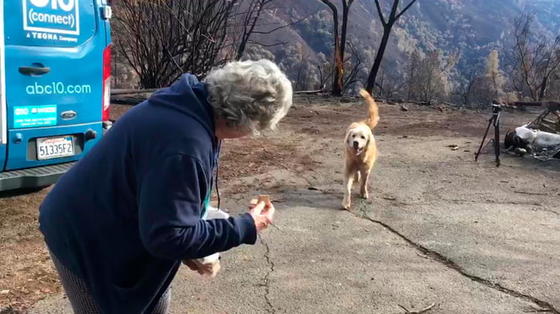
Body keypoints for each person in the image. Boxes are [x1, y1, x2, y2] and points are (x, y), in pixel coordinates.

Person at [39, 59, 293, 313]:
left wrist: (198, 235)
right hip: (83, 232)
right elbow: (169, 237)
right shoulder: (184, 144)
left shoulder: (192, 106)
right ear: (246, 121)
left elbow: (172, 204)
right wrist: (246, 226)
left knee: (155, 302)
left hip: (121, 219)